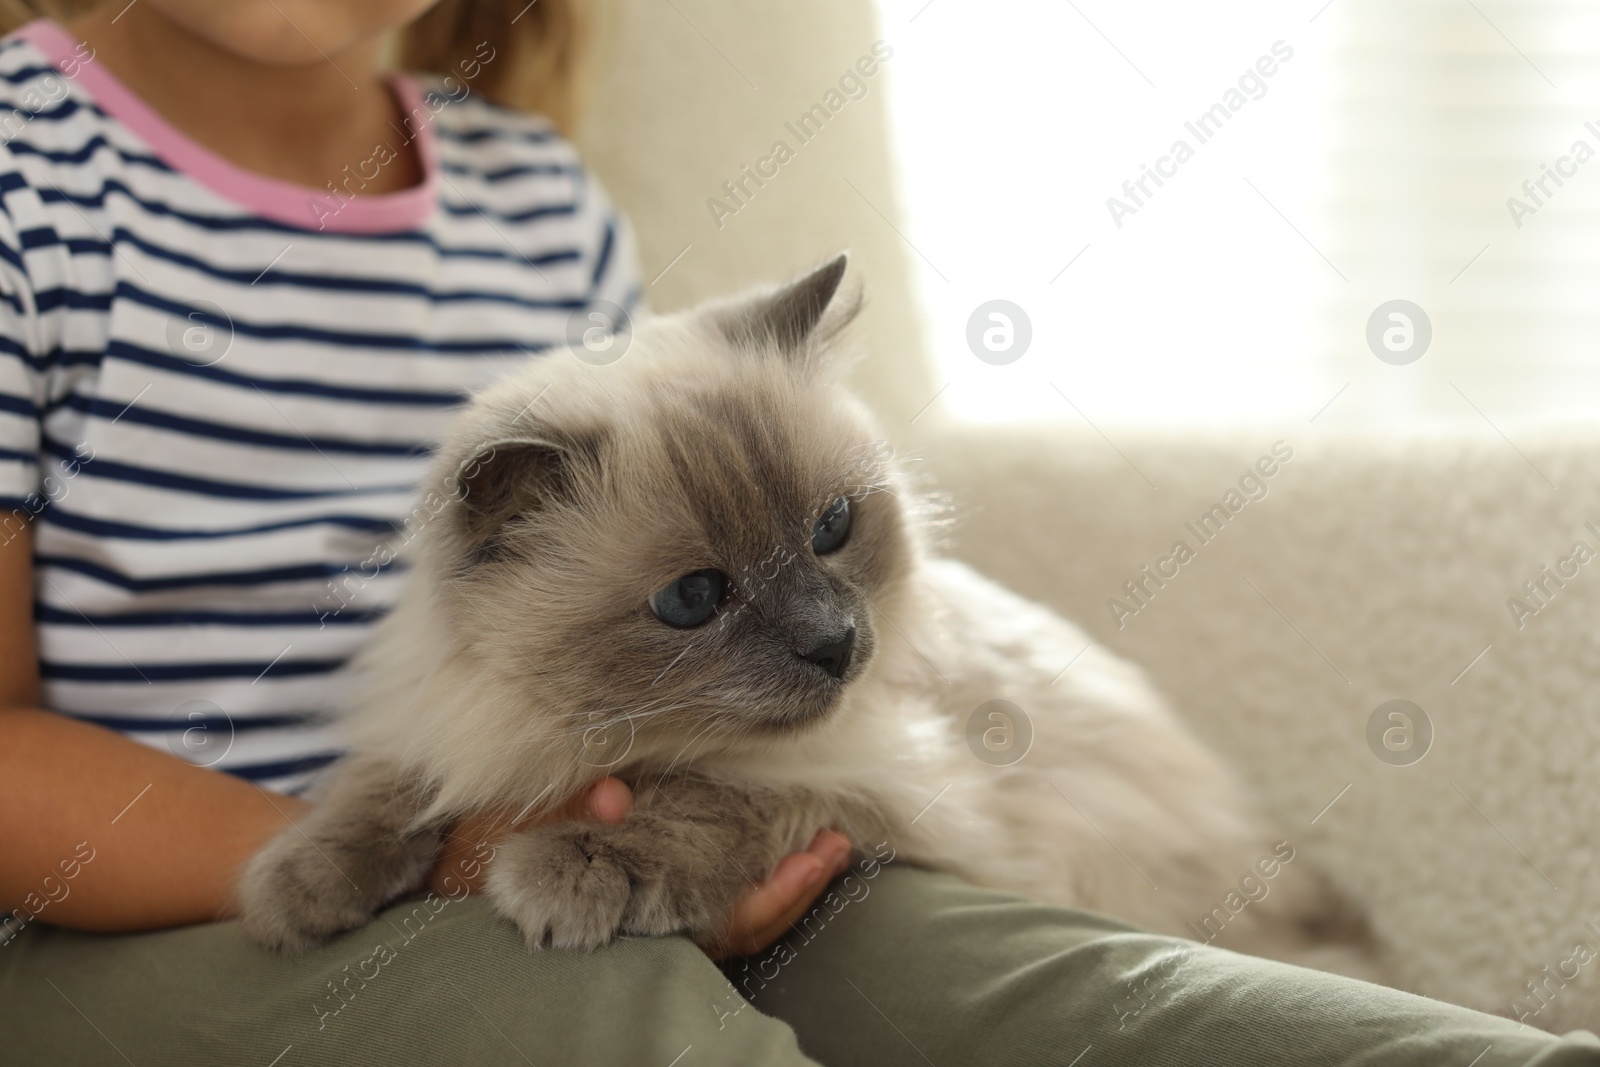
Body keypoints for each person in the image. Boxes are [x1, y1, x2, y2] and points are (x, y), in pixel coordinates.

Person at [0, 3, 1598, 1064]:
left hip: (582, 841)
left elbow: (653, 616)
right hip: (152, 927)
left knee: (1038, 985)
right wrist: (421, 854)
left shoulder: (535, 203)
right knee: (616, 1012)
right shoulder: (27, 176)